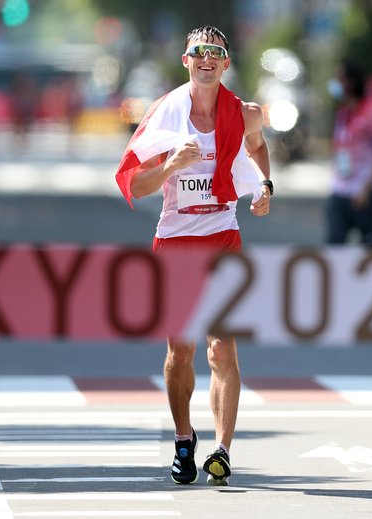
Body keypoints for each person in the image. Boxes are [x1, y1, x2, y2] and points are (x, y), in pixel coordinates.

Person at [114, 25, 272, 486]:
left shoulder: (244, 114)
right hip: (176, 242)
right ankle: (184, 439)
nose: (207, 59)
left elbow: (258, 147)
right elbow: (135, 184)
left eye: (215, 53)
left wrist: (265, 185)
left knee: (222, 348)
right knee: (180, 351)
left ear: (226, 63)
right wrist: (171, 165)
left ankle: (223, 450)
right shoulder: (165, 117)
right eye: (198, 52)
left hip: (222, 236)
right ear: (186, 60)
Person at [325, 61, 372, 247]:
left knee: (369, 247)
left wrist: (367, 187)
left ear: (352, 82)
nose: (335, 83)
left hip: (364, 191)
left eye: (340, 78)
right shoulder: (342, 112)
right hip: (340, 189)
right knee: (334, 245)